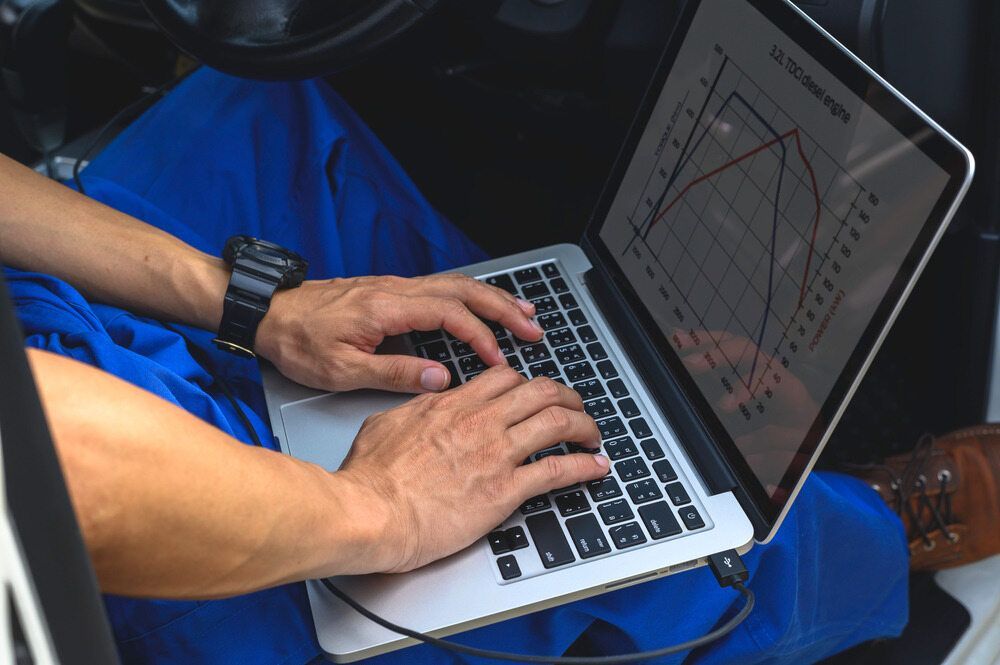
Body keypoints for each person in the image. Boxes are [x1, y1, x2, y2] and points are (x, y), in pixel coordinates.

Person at [2, 66, 985, 665]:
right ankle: (858, 530)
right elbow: (55, 474)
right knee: (588, 542)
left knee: (267, 115)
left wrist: (248, 301)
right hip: (76, 552)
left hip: (44, 321)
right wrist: (382, 506)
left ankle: (623, 378)